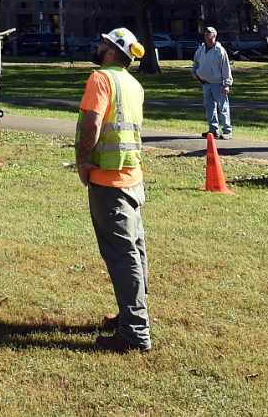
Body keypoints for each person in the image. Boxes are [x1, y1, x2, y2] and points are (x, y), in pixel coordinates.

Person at [77, 26, 151, 353]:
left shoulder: (101, 79)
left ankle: (134, 332)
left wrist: (82, 161)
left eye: (102, 41)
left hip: (109, 182)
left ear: (111, 50)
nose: (98, 43)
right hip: (132, 179)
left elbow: (93, 123)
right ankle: (129, 314)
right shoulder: (133, 84)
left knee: (123, 257)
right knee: (135, 251)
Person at [191, 26, 234, 139]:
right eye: (205, 33)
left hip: (218, 84)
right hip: (205, 83)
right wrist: (194, 72)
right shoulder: (201, 49)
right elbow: (195, 61)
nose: (206, 35)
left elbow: (226, 68)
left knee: (223, 107)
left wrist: (226, 84)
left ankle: (227, 131)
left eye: (209, 33)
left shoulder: (220, 51)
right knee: (210, 108)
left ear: (214, 35)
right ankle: (213, 130)